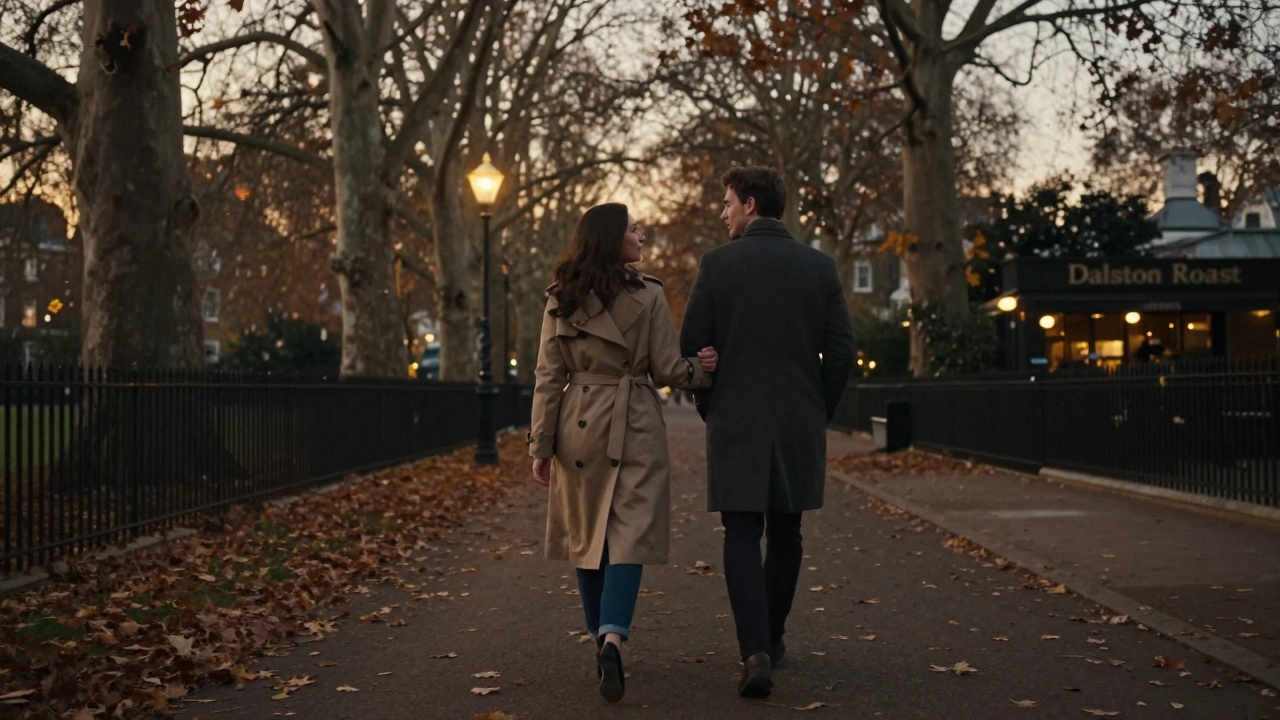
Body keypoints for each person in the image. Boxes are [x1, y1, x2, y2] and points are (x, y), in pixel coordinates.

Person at [527, 203, 718, 703]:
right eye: (634, 228)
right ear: (614, 239)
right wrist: (704, 370)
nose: (642, 233)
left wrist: (540, 445)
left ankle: (598, 638)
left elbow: (549, 378)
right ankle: (613, 638)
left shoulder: (560, 297)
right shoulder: (649, 294)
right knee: (628, 536)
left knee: (587, 532)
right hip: (634, 419)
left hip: (579, 424)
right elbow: (668, 369)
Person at [680, 166, 855, 698]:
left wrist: (713, 405)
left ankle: (753, 649)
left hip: (736, 417)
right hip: (798, 418)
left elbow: (693, 349)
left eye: (728, 201)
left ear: (751, 204)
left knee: (739, 532)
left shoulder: (716, 265)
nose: (723, 211)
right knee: (787, 532)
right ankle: (774, 637)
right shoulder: (819, 267)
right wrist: (816, 408)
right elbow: (842, 350)